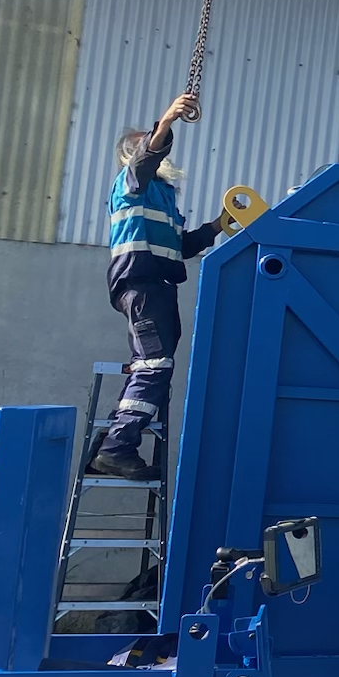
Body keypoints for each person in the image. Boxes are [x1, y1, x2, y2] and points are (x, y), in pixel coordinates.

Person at [88, 92, 231, 481]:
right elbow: (146, 159)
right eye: (148, 144)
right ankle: (116, 447)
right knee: (155, 365)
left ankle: (111, 440)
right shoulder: (131, 182)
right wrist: (166, 120)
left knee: (152, 365)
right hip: (143, 284)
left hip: (159, 287)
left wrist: (218, 225)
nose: (159, 154)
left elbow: (181, 246)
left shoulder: (163, 197)